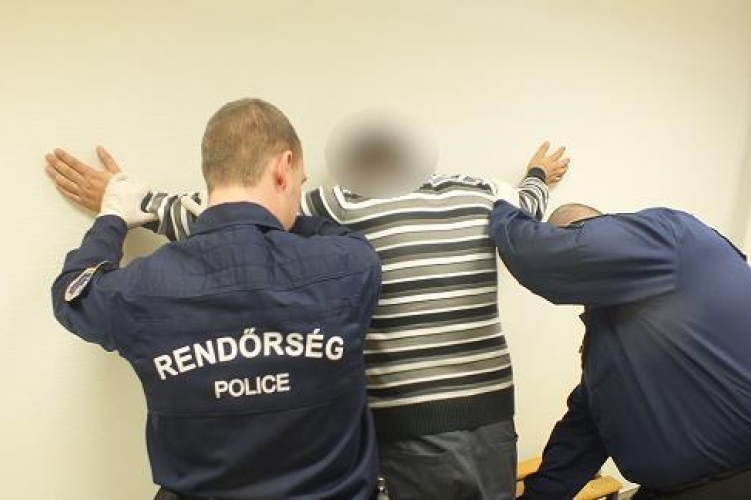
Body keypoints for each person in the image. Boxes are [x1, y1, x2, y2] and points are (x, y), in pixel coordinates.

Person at [46, 121, 569, 499]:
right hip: (490, 421)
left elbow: (237, 222)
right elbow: (528, 208)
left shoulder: (335, 205)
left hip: (409, 430)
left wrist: (128, 206)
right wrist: (538, 175)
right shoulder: (480, 196)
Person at [50, 98, 383, 499]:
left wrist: (113, 217)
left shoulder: (140, 289)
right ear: (283, 167)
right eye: (301, 182)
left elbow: (72, 294)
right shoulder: (350, 267)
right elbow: (341, 237)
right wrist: (258, 218)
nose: (298, 195)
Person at [489, 201, 751, 499]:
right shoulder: (613, 341)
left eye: (568, 240)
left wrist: (496, 205)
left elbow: (542, 257)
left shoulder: (672, 236)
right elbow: (581, 437)